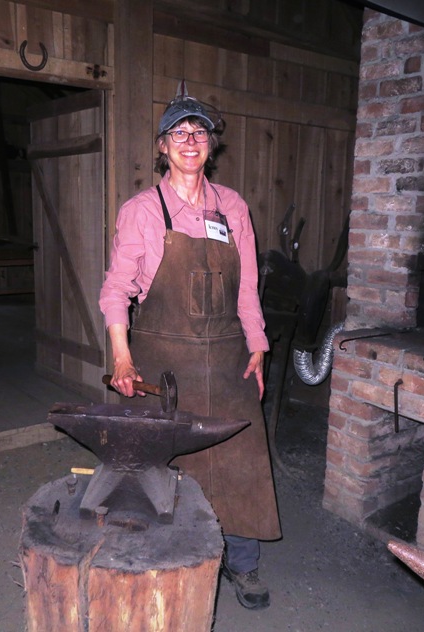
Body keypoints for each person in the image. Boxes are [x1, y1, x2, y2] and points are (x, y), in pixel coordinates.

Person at [99, 88, 281, 610]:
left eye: (199, 131)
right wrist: (122, 356)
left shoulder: (233, 207)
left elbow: (247, 286)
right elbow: (117, 289)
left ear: (210, 144)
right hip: (162, 355)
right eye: (179, 132)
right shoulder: (141, 210)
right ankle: (166, 558)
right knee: (161, 463)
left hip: (226, 354)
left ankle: (241, 564)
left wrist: (258, 345)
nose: (190, 141)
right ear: (162, 146)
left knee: (240, 458)